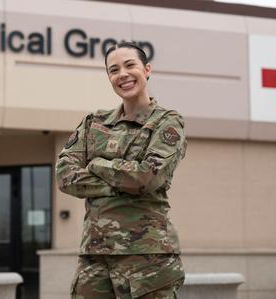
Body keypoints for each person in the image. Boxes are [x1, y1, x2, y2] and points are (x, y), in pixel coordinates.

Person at [55, 41, 187, 299]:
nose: (122, 75)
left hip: (147, 259)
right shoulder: (94, 123)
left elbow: (147, 178)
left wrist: (96, 165)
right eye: (114, 70)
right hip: (94, 256)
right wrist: (120, 180)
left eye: (130, 65)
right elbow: (64, 175)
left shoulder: (166, 121)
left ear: (147, 69)